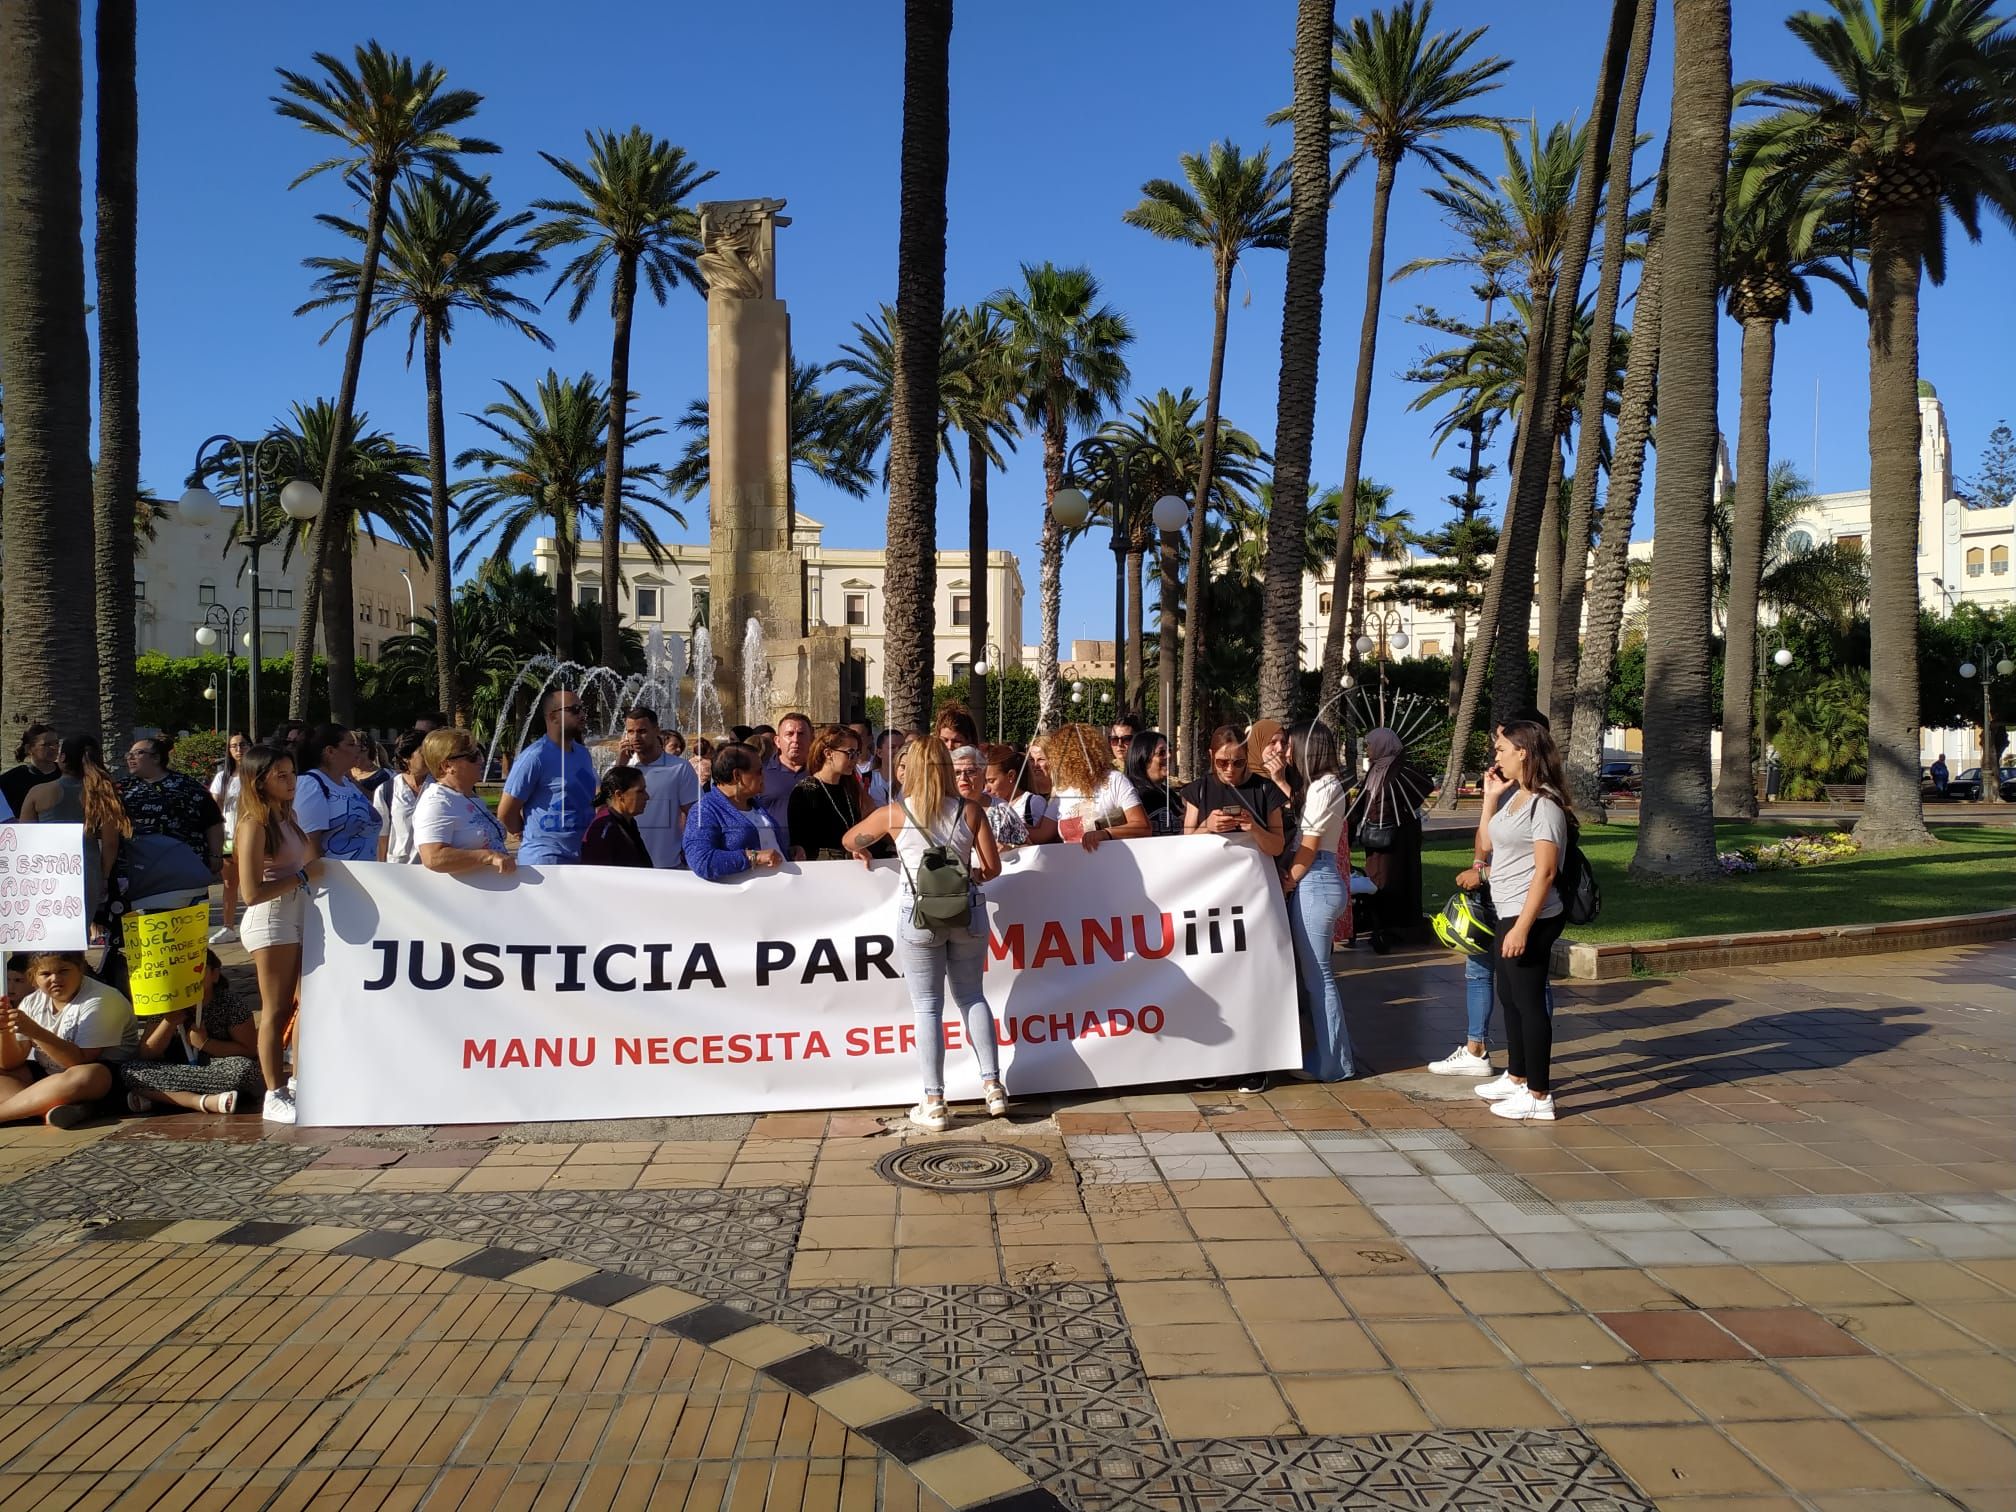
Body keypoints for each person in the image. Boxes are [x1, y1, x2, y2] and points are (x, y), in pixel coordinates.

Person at [840, 735, 1007, 1132]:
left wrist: (860, 849)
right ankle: (993, 1087)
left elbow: (849, 838)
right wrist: (973, 875)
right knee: (972, 996)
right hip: (966, 913)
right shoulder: (970, 810)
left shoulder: (894, 814)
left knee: (927, 1007)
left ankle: (934, 1100)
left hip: (918, 917)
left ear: (910, 769)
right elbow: (993, 867)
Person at [1472, 720, 1573, 1122]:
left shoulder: (1544, 805)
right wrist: (1490, 799)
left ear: (1523, 752)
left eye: (1501, 749)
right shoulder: (1516, 797)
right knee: (1510, 998)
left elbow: (1546, 872)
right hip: (1508, 909)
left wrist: (1522, 928)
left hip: (1530, 915)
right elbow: (1485, 843)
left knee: (1530, 1004)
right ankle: (1516, 1077)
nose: (1496, 756)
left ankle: (1539, 1093)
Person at [236, 744, 320, 1124]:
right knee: (276, 1009)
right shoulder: (253, 824)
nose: (291, 781)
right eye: (281, 775)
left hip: (300, 914)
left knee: (308, 1002)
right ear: (260, 780)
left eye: (292, 773)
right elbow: (250, 892)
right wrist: (302, 877)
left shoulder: (288, 816)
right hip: (271, 919)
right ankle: (274, 1091)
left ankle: (302, 1080)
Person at [1282, 721, 1354, 1082]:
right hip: (1320, 880)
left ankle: (1333, 1064)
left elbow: (1308, 846)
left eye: (1291, 746)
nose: (1287, 753)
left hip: (1315, 880)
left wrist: (1287, 882)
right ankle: (1331, 1056)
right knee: (1318, 976)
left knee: (1319, 978)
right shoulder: (1323, 787)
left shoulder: (1325, 787)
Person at [0, 950, 137, 1127]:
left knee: (88, 1074)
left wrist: (35, 1031)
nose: (55, 979)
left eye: (63, 971)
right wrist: (5, 1031)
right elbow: (10, 1063)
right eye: (46, 974)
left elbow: (79, 1061)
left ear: (80, 969)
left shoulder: (101, 999)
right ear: (34, 978)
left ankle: (16, 1111)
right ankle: (48, 1107)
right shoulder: (32, 1001)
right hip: (50, 1077)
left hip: (104, 1078)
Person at [119, 950, 263, 1116]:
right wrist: (168, 1023)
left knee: (245, 1070)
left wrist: (206, 1043)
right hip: (173, 1065)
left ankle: (162, 1096)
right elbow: (146, 1053)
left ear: (215, 974)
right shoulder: (166, 1003)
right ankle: (202, 1102)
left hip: (215, 1065)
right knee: (130, 1070)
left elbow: (249, 1050)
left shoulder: (231, 1004)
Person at [22, 734, 129, 925]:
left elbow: (24, 838)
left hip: (44, 870)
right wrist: (104, 876)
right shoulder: (101, 795)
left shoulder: (38, 792)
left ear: (62, 758)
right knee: (77, 932)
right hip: (86, 870)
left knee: (43, 932)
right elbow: (111, 842)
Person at [1344, 727, 1434, 940]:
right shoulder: (1376, 769)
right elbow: (1364, 801)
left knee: (1396, 878)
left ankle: (1398, 928)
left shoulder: (1401, 769)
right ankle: (1381, 924)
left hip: (1399, 838)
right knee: (1377, 878)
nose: (1368, 749)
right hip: (1377, 836)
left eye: (1370, 744)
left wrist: (1399, 808)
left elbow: (1424, 786)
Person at [498, 687, 596, 865]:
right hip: (546, 860)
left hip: (583, 856)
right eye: (574, 710)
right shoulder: (535, 757)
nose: (582, 715)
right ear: (553, 717)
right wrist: (529, 834)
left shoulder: (583, 753)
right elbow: (506, 812)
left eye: (583, 709)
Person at [121, 734, 226, 880]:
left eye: (138, 753)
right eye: (129, 754)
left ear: (156, 758)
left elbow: (213, 821)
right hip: (139, 872)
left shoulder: (187, 786)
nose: (130, 758)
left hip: (184, 869)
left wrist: (216, 855)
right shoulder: (122, 788)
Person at [415, 730, 516, 877]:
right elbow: (432, 857)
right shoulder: (437, 802)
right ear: (447, 766)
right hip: (462, 896)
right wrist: (488, 856)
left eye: (480, 753)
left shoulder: (467, 797)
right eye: (472, 756)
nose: (481, 760)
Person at [1182, 725, 1286, 859]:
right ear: (1211, 755)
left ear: (1247, 757)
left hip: (1253, 875)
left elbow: (1277, 847)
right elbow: (1186, 846)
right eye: (1222, 762)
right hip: (1209, 874)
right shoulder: (1198, 790)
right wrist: (1207, 826)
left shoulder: (1266, 789)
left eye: (1238, 762)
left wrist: (1254, 828)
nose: (1230, 769)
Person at [685, 743, 786, 881]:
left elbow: (767, 845)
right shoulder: (704, 811)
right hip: (742, 898)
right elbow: (702, 861)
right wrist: (754, 857)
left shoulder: (755, 804)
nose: (764, 775)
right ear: (737, 775)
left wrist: (787, 852)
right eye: (758, 771)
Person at [1043, 723, 1151, 850]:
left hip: (1111, 866)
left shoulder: (1115, 780)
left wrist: (1106, 833)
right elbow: (1041, 834)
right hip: (1073, 868)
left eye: (1056, 757)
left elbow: (1143, 827)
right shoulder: (1061, 791)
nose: (1053, 763)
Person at [290, 725, 384, 864]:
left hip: (363, 877)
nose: (359, 749)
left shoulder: (347, 783)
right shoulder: (310, 784)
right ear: (330, 751)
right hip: (335, 881)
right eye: (351, 744)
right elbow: (308, 845)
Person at [620, 707, 699, 869]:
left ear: (657, 730)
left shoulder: (680, 768)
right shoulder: (621, 768)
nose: (635, 737)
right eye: (630, 731)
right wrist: (620, 766)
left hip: (668, 864)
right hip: (626, 866)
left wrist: (691, 849)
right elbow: (603, 811)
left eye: (642, 731)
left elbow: (695, 814)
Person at [787, 725, 864, 861]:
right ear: (828, 753)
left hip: (851, 864)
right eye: (850, 753)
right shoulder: (807, 790)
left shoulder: (849, 787)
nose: (855, 760)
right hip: (821, 866)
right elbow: (799, 841)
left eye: (857, 753)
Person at [209, 733, 249, 939]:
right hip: (229, 836)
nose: (239, 749)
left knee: (253, 879)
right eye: (234, 746)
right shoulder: (222, 777)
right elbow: (215, 807)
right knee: (229, 882)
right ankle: (228, 926)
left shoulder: (256, 775)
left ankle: (251, 921)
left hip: (251, 837)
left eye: (242, 744)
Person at [758, 712, 812, 857]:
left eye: (801, 734)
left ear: (811, 739)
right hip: (773, 856)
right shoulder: (760, 774)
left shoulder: (821, 773)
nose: (796, 740)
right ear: (777, 741)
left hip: (815, 857)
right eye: (789, 734)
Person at [952, 744, 1024, 849]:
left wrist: (1009, 848)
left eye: (970, 771)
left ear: (983, 773)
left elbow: (1028, 848)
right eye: (957, 773)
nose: (963, 777)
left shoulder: (1001, 809)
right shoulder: (943, 808)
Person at [582, 766, 654, 868]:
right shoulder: (603, 829)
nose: (647, 797)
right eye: (640, 791)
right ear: (619, 794)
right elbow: (596, 875)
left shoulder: (628, 821)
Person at [376, 730, 430, 864]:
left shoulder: (441, 788)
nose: (430, 758)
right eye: (424, 753)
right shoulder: (387, 790)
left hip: (433, 869)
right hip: (398, 869)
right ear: (406, 757)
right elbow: (382, 836)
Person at [985, 746, 1057, 844]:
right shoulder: (989, 804)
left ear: (1011, 776)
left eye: (991, 781)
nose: (986, 788)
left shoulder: (1033, 803)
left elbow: (1044, 841)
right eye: (984, 782)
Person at [1125, 730, 1182, 837]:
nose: (1169, 756)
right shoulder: (1132, 796)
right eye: (1162, 753)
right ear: (1142, 758)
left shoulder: (1169, 794)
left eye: (1169, 751)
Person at [1, 724, 62, 816]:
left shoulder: (67, 773)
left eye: (56, 743)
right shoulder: (11, 779)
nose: (54, 748)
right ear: (29, 748)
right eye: (46, 744)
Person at [866, 729, 907, 809]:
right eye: (892, 747)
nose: (898, 751)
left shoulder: (911, 782)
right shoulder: (866, 780)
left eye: (902, 747)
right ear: (879, 753)